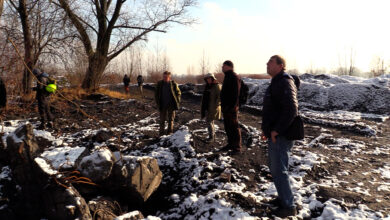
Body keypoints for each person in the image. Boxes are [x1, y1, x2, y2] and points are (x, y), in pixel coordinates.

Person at [261, 55, 300, 217]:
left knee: (279, 169)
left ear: (281, 65)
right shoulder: (276, 82)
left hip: (281, 135)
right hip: (274, 134)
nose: (267, 64)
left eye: (270, 62)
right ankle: (284, 198)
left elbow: (291, 109)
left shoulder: (284, 82)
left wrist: (276, 130)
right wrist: (267, 131)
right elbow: (273, 110)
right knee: (275, 168)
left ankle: (289, 206)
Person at [220, 60, 242, 154]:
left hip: (231, 108)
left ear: (229, 66)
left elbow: (235, 94)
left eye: (224, 66)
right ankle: (230, 144)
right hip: (226, 107)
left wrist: (232, 106)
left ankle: (237, 147)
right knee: (228, 126)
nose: (222, 67)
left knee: (233, 126)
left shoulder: (233, 77)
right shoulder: (228, 76)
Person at [155, 71, 181, 136]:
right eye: (164, 77)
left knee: (171, 120)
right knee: (162, 120)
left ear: (169, 77)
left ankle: (169, 133)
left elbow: (178, 93)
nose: (165, 78)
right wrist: (158, 102)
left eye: (166, 77)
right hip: (162, 105)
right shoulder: (160, 84)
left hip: (171, 105)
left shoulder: (173, 84)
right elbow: (156, 94)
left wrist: (177, 101)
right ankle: (161, 134)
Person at [201, 73, 221, 143]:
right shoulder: (207, 86)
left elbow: (220, 97)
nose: (208, 80)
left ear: (212, 78)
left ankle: (211, 137)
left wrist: (216, 105)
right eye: (207, 79)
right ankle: (213, 135)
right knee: (210, 121)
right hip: (207, 107)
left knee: (209, 121)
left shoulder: (216, 86)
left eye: (209, 78)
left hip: (213, 107)